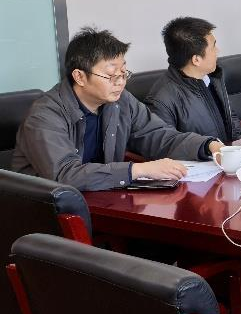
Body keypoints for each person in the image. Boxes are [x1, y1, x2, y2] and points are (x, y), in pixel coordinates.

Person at [12, 27, 223, 191]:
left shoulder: (121, 102)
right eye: (112, 75)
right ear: (80, 76)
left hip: (103, 198)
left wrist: (208, 145)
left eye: (123, 73)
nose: (121, 82)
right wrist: (137, 170)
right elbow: (65, 174)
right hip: (46, 213)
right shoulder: (45, 115)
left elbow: (159, 136)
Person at [145, 17, 241, 144]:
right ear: (196, 60)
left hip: (230, 154)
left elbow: (231, 121)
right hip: (205, 157)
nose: (217, 51)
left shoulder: (213, 78)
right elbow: (166, 146)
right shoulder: (161, 100)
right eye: (213, 47)